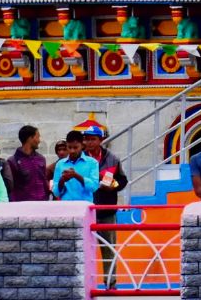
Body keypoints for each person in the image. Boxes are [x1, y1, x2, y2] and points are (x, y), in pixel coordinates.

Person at [83, 122, 126, 289]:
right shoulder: (82, 159)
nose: (89, 142)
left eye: (92, 139)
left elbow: (122, 180)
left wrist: (113, 186)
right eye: (87, 139)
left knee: (108, 247)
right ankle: (86, 283)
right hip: (86, 210)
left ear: (100, 140)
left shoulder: (113, 158)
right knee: (84, 247)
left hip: (107, 210)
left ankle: (110, 282)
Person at [6, 126, 51, 202]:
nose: (39, 141)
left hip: (42, 204)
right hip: (23, 207)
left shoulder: (41, 159)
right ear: (30, 138)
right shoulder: (12, 161)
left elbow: (44, 180)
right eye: (38, 137)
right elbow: (11, 187)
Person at [52, 130, 99, 202]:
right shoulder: (60, 164)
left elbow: (94, 187)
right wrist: (62, 180)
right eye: (69, 147)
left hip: (85, 208)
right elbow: (56, 193)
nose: (72, 151)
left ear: (82, 146)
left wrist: (76, 176)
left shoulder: (92, 163)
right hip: (66, 208)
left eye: (75, 147)